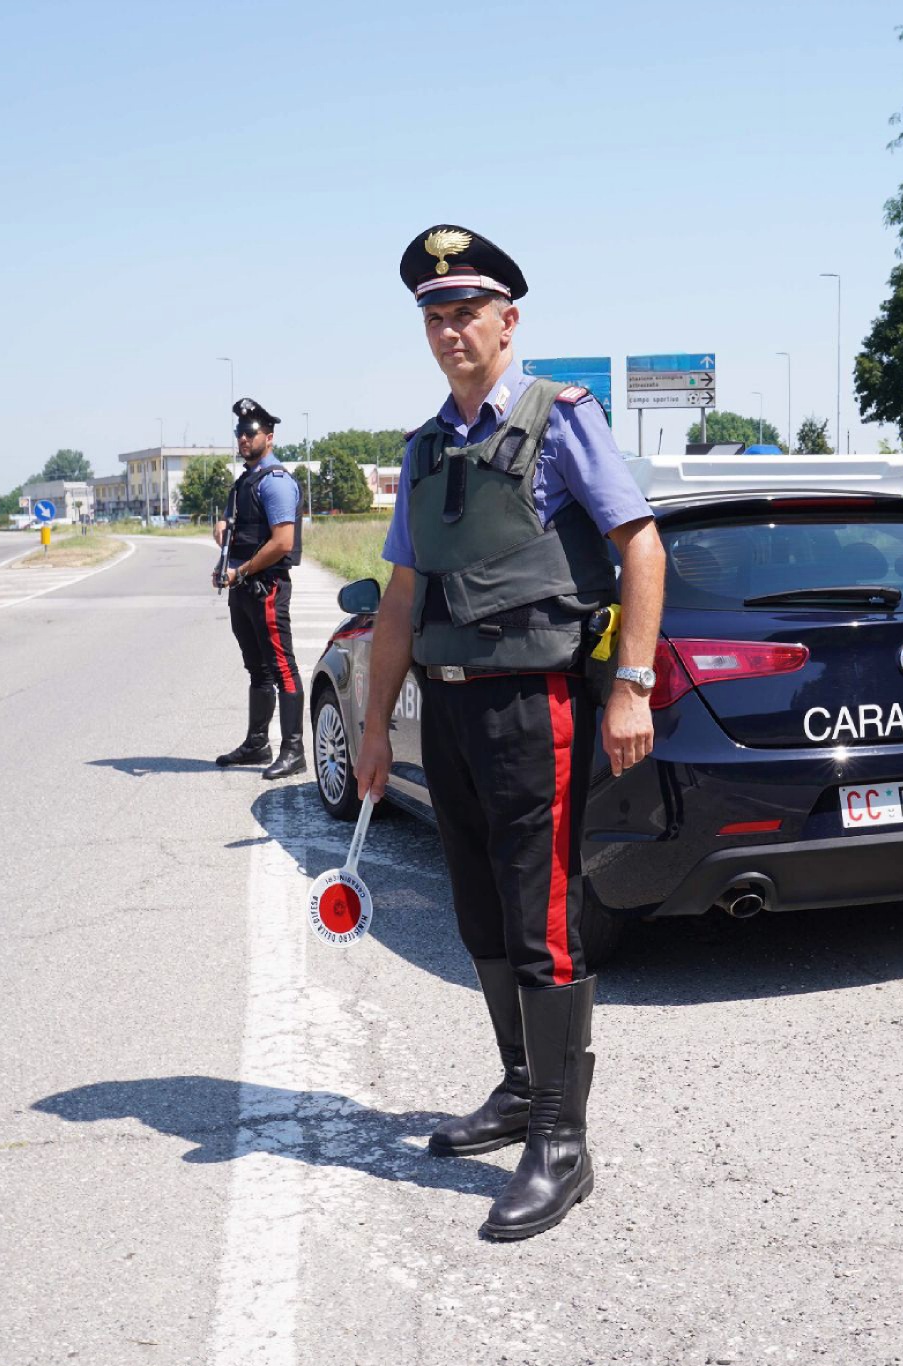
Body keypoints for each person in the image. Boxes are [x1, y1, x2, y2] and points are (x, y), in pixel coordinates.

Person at [351, 225, 666, 1241]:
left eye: (464, 312)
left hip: (538, 706)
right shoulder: (425, 448)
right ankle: (523, 1090)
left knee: (542, 920)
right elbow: (400, 600)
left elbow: (640, 546)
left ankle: (563, 1148)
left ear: (506, 321)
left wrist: (629, 685)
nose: (448, 330)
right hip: (446, 709)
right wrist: (370, 730)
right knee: (479, 912)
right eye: (433, 316)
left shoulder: (560, 421)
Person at [213, 397, 306, 781]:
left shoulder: (276, 482)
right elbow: (237, 527)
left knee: (282, 667)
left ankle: (294, 750)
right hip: (243, 588)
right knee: (257, 669)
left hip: (265, 587)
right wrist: (220, 531)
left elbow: (282, 543)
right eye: (239, 432)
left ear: (268, 436)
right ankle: (257, 744)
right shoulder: (244, 481)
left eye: (249, 432)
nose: (242, 438)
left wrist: (243, 571)